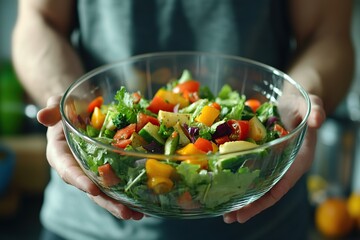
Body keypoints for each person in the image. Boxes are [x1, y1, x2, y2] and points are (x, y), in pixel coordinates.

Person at [12, 0, 354, 239]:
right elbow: (37, 21)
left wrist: (304, 95)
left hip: (262, 212)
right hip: (85, 223)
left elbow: (328, 36)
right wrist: (68, 102)